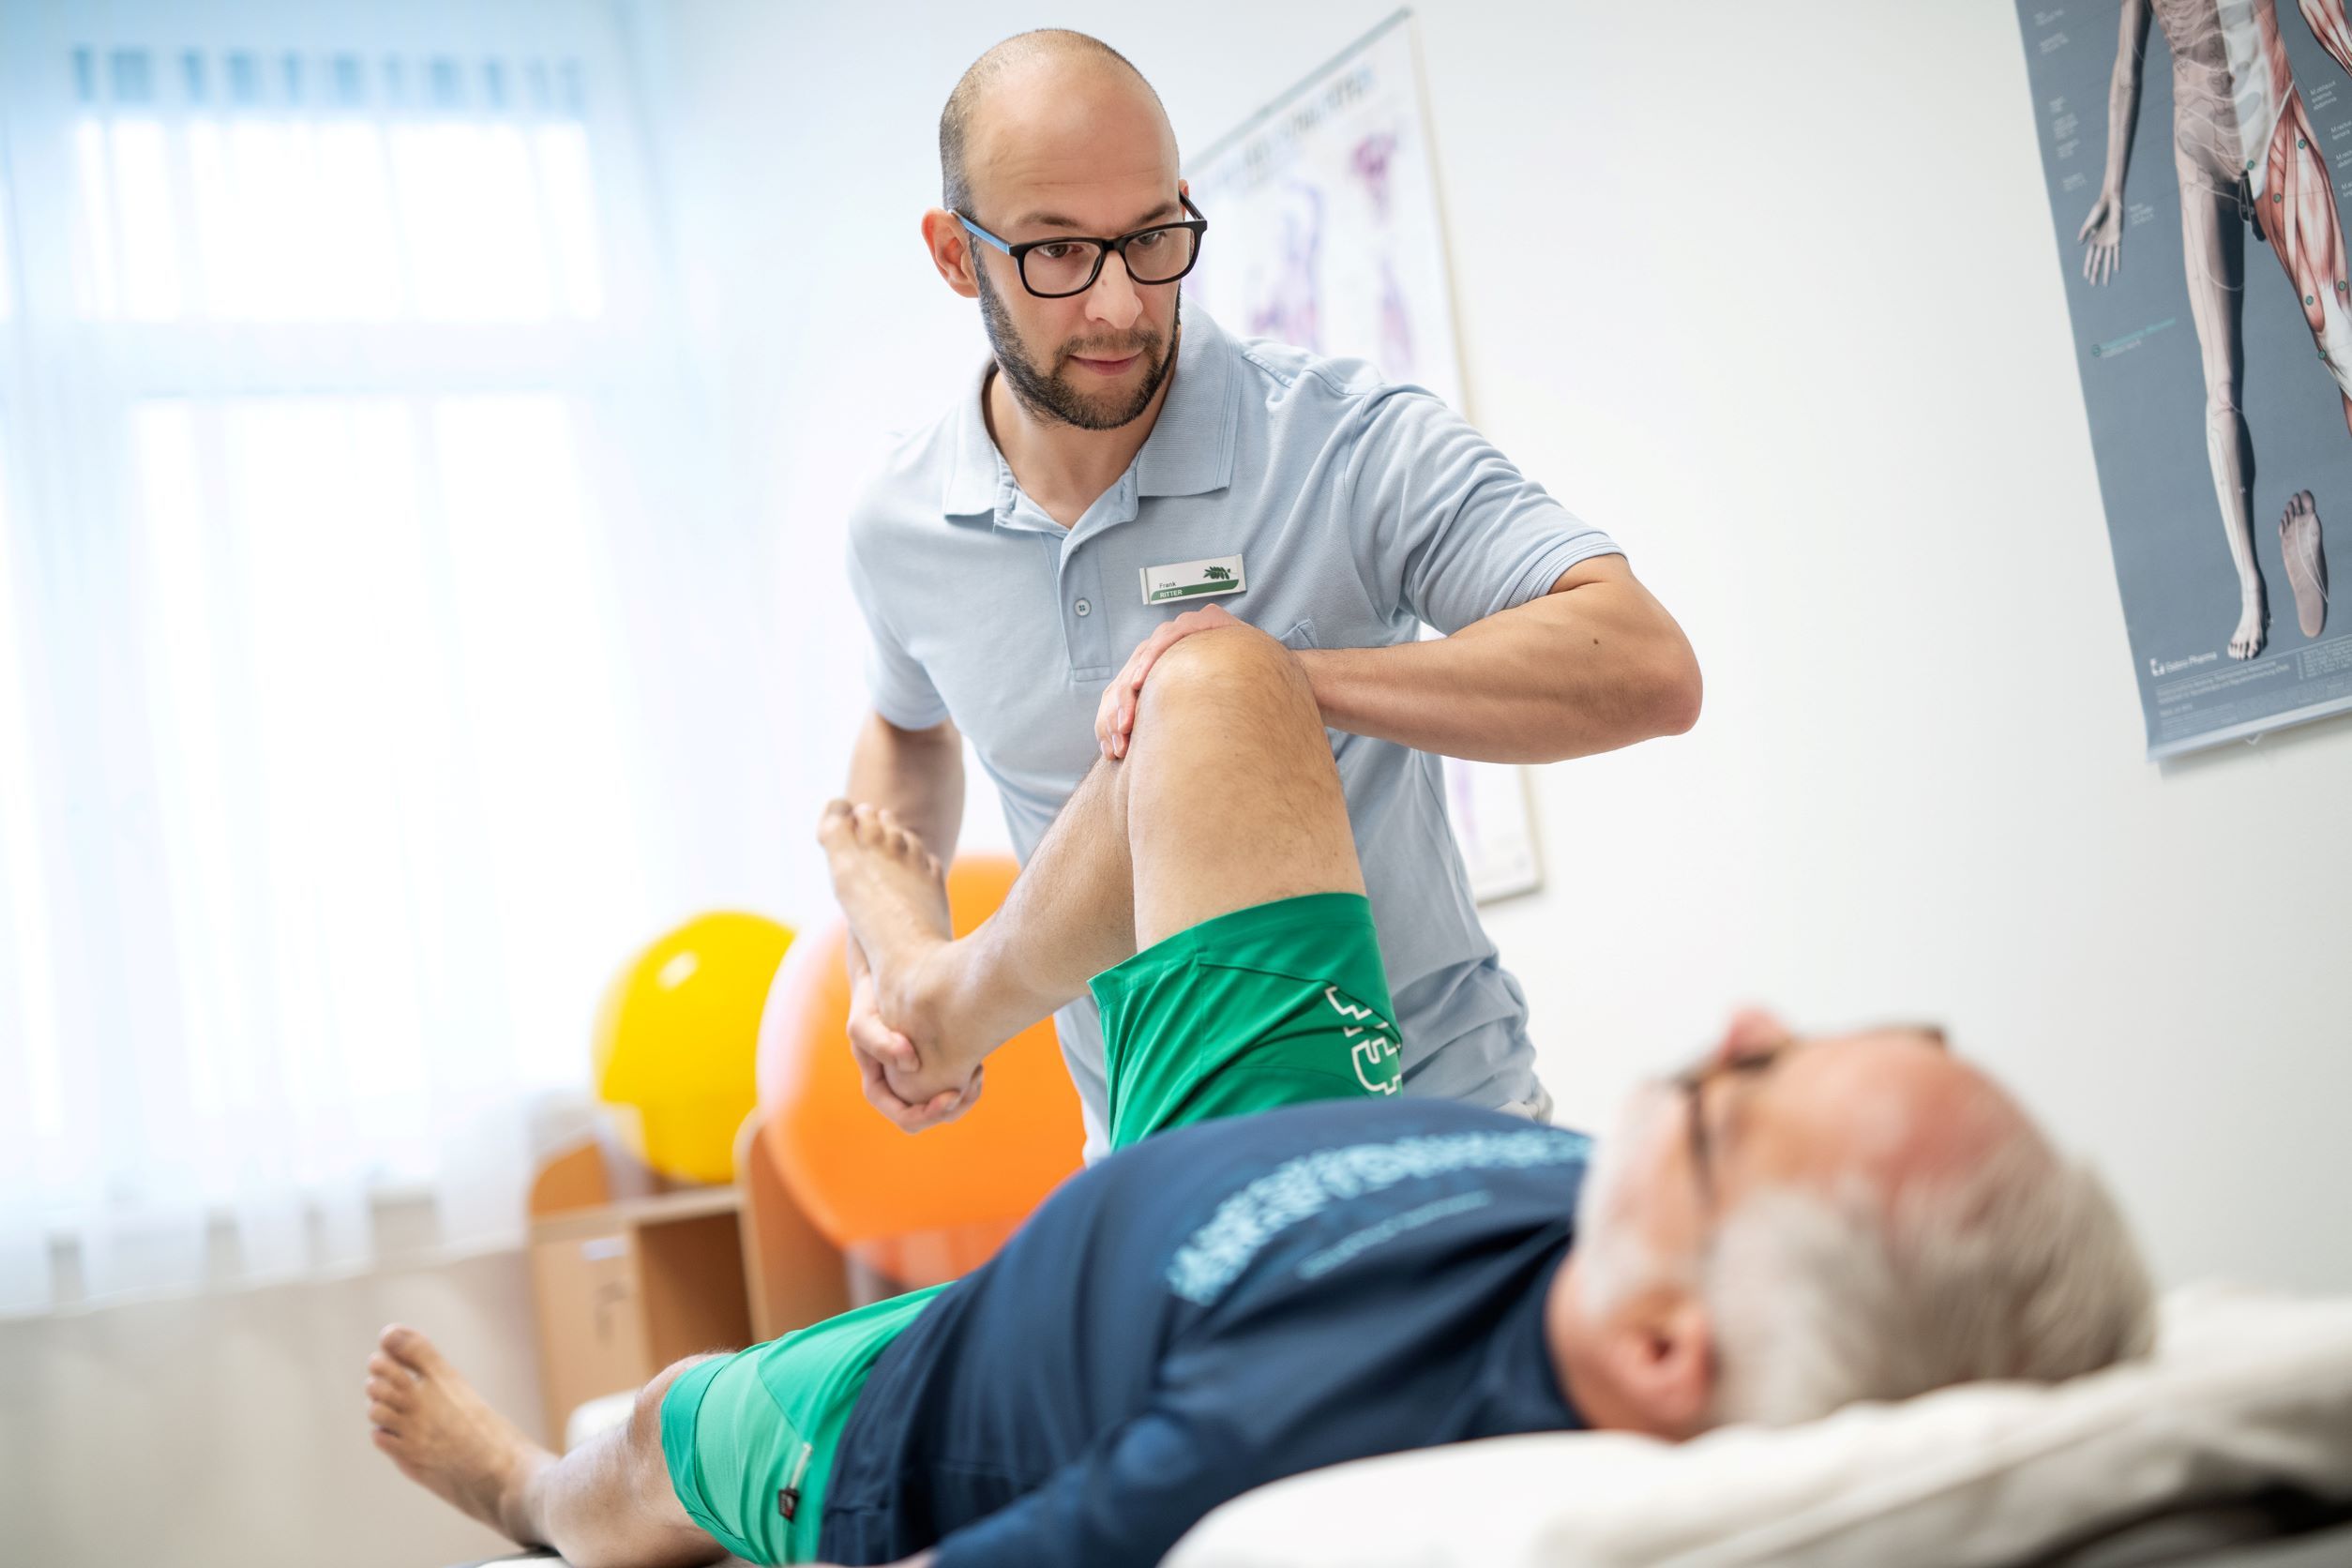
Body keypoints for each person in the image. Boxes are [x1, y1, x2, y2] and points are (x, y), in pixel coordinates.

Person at [367, 620, 2153, 1568]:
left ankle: (527, 1492)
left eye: (1730, 1105)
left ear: (1671, 1352)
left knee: (664, 1425)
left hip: (975, 1355)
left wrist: (562, 1487)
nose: (1739, 1022)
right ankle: (936, 990)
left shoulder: (1296, 1455)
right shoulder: (1675, 1264)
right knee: (1220, 677)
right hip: (1278, 1102)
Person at [837, 28, 1703, 1148]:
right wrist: (885, 962)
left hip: (1446, 1120)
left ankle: (956, 996)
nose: (1116, 305)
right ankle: (934, 994)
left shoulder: (1342, 442)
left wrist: (1262, 693)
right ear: (957, 255)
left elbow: (1645, 663)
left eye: (1151, 238)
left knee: (1208, 687)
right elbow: (908, 731)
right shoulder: (901, 526)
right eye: (1056, 255)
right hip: (1150, 1160)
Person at [2081, 0, 2344, 657]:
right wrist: (2112, 188)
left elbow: (2127, 73)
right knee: (2237, 381)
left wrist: (2115, 186)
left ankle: (2254, 594)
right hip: (2231, 130)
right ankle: (2253, 588)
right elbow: (2125, 71)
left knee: (2295, 359)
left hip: (2250, 121)